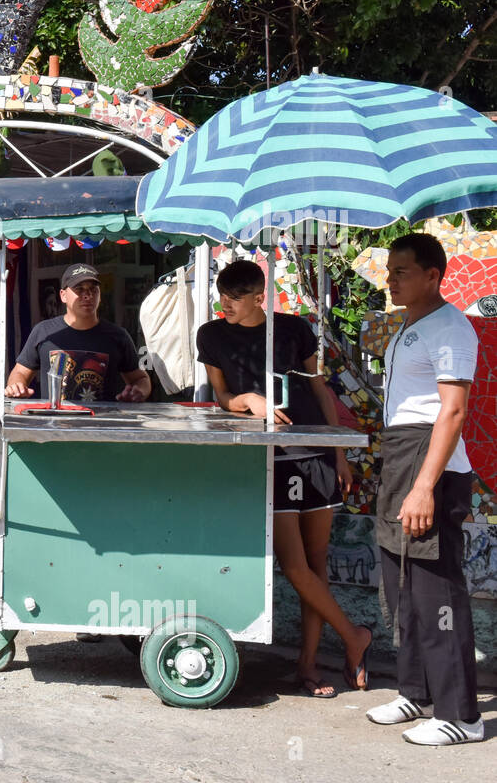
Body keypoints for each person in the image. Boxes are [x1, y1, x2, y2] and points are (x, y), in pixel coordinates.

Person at [196, 260, 372, 698]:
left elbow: (319, 390)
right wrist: (248, 399)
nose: (226, 305)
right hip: (268, 458)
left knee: (316, 566)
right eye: (223, 296)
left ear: (259, 297)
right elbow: (220, 397)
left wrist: (339, 453)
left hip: (315, 452)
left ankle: (308, 668)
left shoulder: (294, 329)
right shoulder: (212, 335)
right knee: (294, 566)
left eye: (235, 298)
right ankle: (353, 636)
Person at [366, 234, 483, 745]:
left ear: (434, 275)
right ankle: (416, 690)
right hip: (401, 455)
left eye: (401, 272)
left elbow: (452, 412)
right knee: (402, 586)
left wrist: (424, 487)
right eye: (390, 271)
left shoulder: (451, 328)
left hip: (430, 464)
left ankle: (462, 715)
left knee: (438, 592)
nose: (391, 280)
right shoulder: (410, 325)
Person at [4, 263, 151, 403]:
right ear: (63, 295)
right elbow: (20, 373)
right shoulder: (44, 332)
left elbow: (140, 378)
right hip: (54, 425)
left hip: (103, 425)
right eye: (79, 289)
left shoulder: (118, 336)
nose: (87, 295)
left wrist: (139, 391)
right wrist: (17, 386)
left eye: (93, 289)